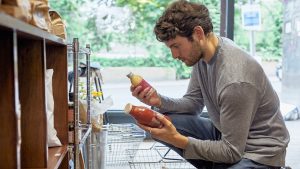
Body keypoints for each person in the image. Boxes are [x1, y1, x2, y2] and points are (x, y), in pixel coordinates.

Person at [130, 0, 290, 169]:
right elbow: (193, 104)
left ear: (198, 33)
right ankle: (217, 162)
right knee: (161, 123)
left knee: (175, 136)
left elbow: (232, 151)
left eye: (176, 46)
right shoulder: (203, 55)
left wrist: (178, 140)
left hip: (259, 152)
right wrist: (158, 100)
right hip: (226, 134)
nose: (174, 55)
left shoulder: (234, 79)